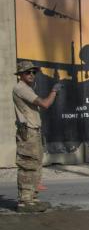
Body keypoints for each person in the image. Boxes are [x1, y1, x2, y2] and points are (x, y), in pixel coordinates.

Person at [12, 60, 61, 212]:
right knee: (28, 165)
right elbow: (45, 104)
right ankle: (25, 200)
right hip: (28, 133)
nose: (32, 75)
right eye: (28, 72)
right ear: (20, 75)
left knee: (36, 165)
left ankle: (32, 198)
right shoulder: (21, 88)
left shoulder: (27, 88)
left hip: (33, 131)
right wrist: (54, 91)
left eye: (34, 72)